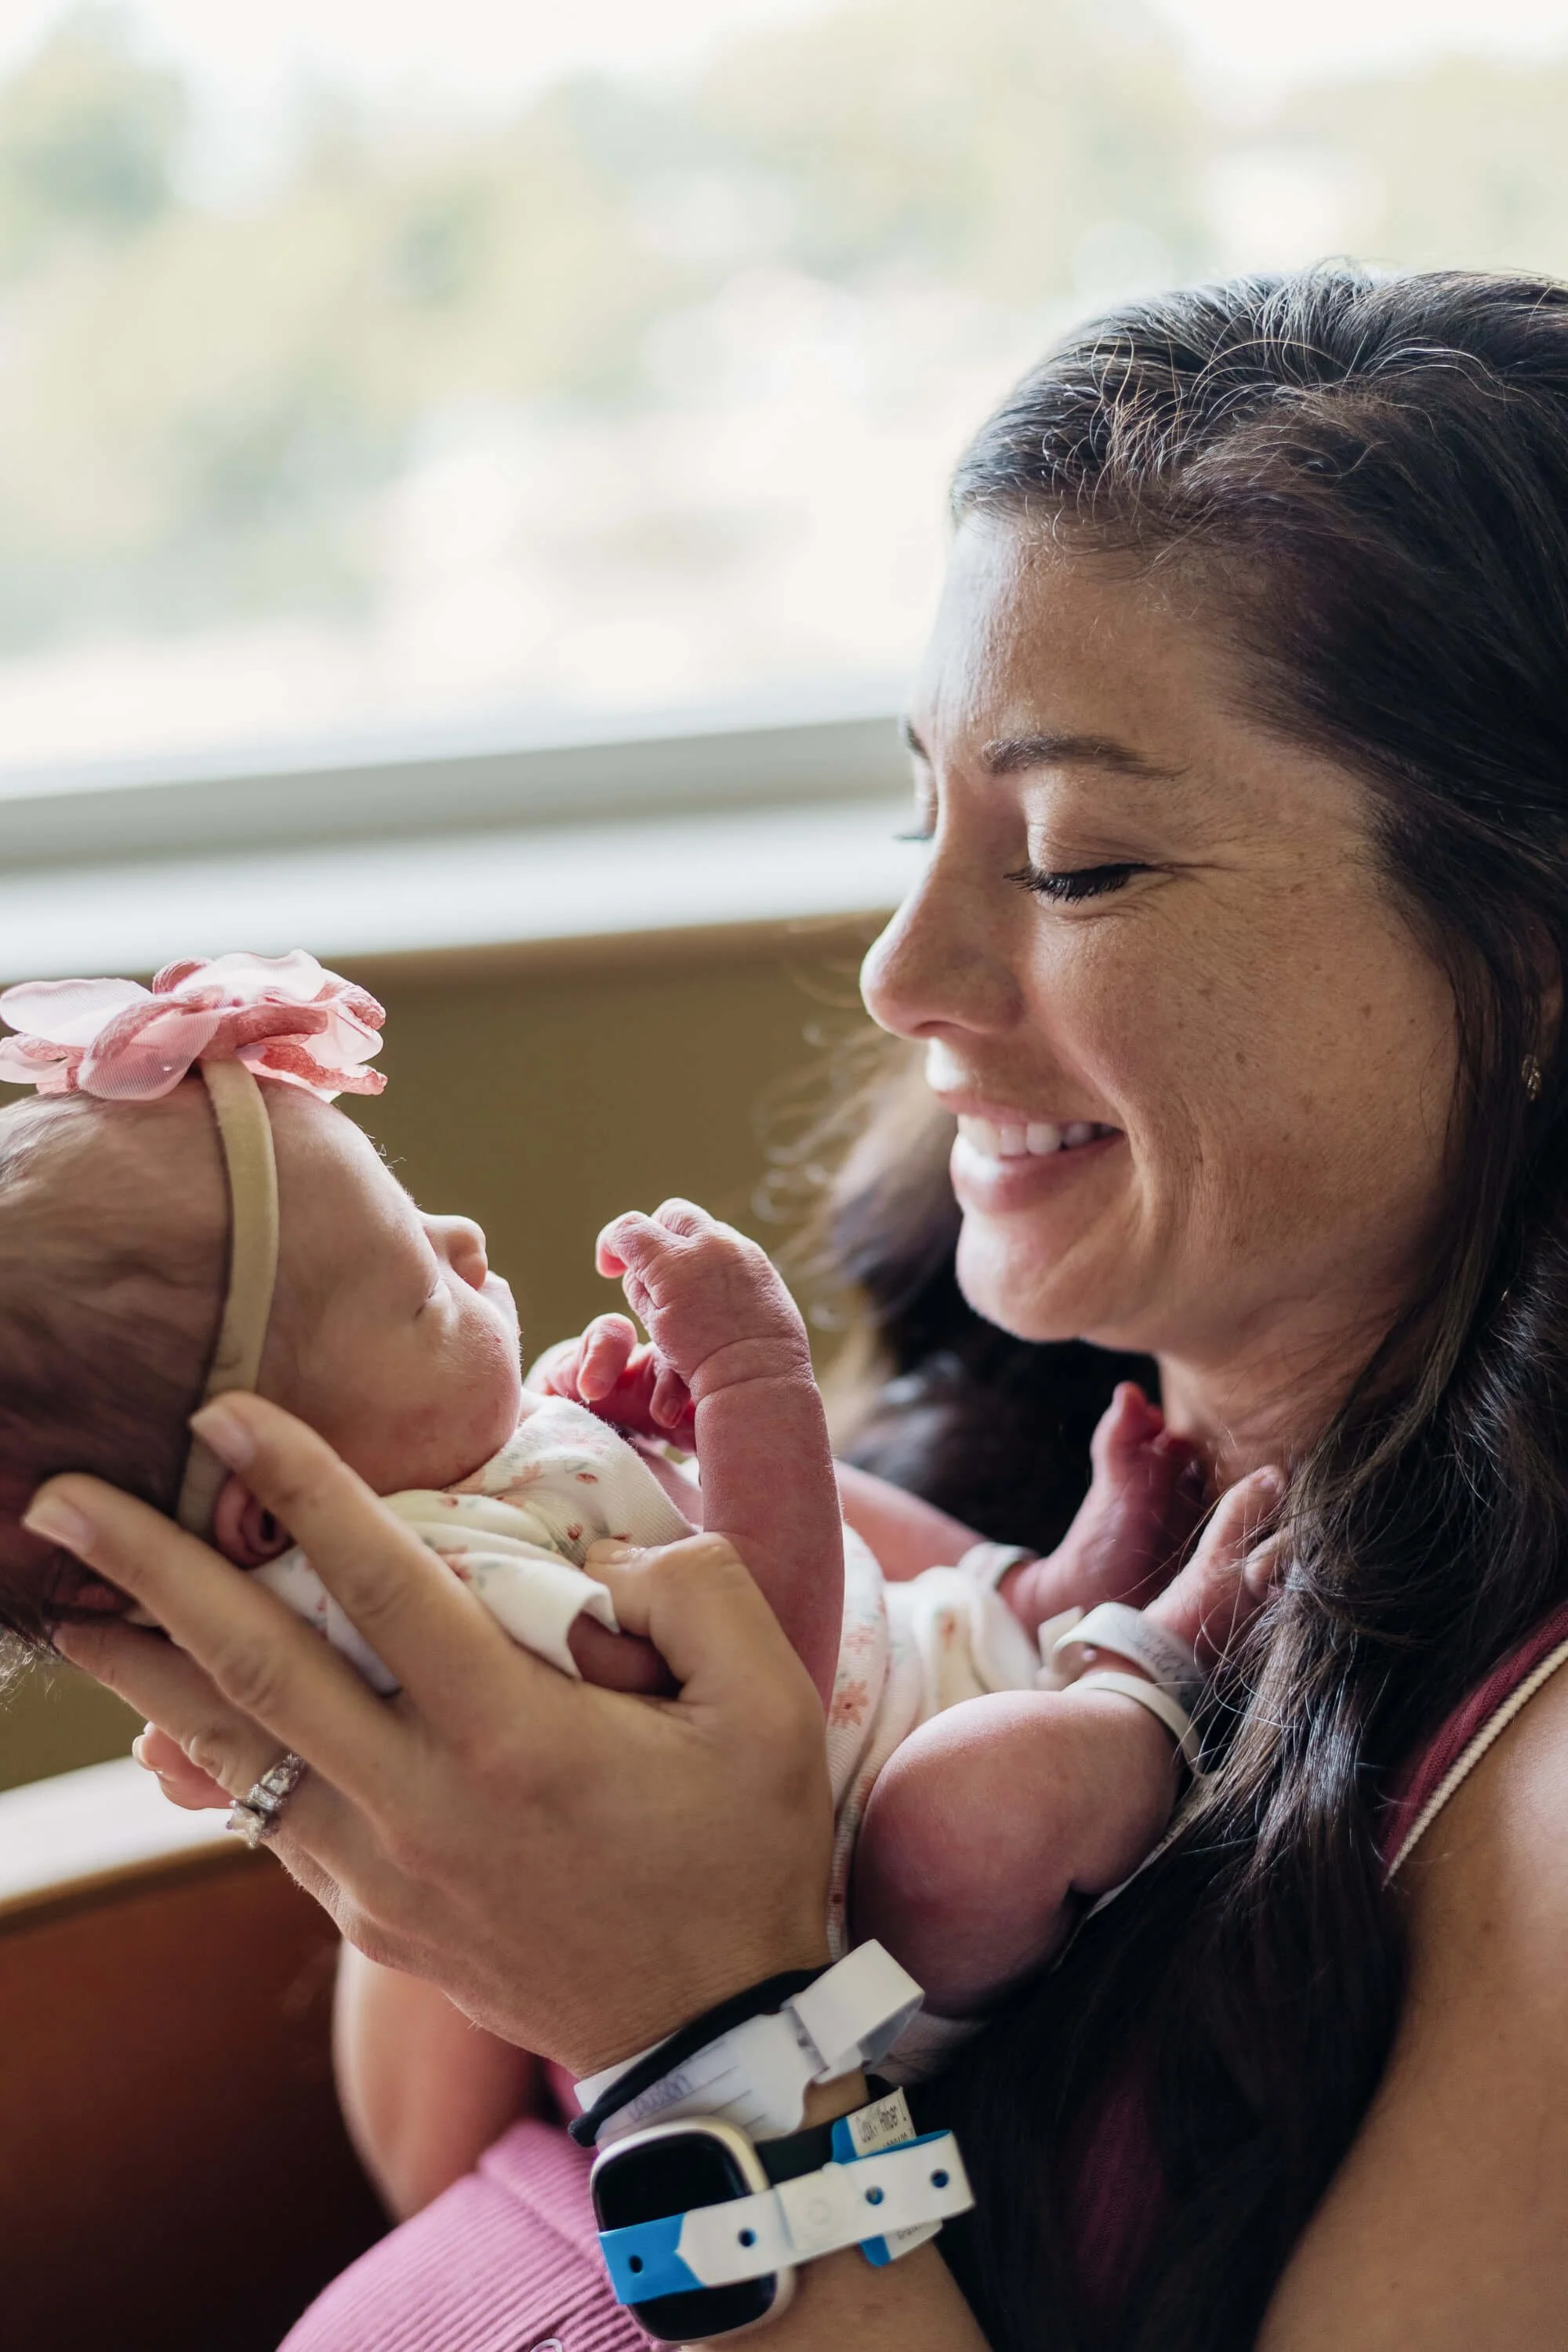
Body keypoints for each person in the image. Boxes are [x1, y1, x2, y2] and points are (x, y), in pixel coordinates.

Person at [31, 263, 1568, 2350]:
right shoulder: (982, 1444)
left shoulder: (1521, 1797)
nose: (897, 971)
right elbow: (446, 2150)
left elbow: (623, 2131)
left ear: (1532, 954)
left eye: (1079, 863)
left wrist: (702, 2031)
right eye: (921, 812)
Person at [0, 954, 1272, 2149]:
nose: (464, 1239)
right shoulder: (430, 1608)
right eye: (419, 1295)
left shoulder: (438, 1511)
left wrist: (636, 1455)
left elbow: (720, 1560)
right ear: (274, 1512)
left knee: (843, 1533)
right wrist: (751, 1386)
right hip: (859, 1931)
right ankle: (1150, 1669)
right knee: (974, 1810)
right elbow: (754, 1708)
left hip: (892, 1710)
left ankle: (1038, 1598)